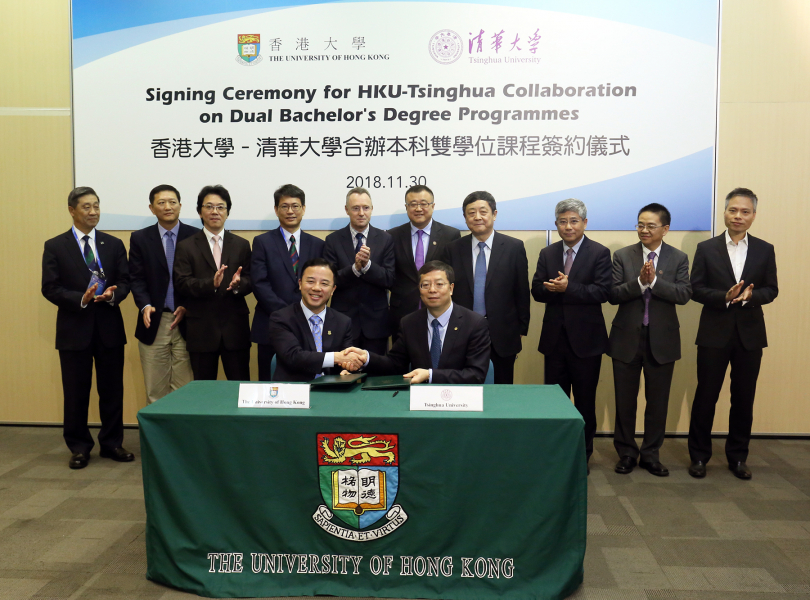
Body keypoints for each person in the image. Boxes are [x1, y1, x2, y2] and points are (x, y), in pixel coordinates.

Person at [687, 188, 778, 480]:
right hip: (714, 332)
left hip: (750, 335)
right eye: (733, 210)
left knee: (743, 397)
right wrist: (723, 297)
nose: (738, 216)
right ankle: (699, 456)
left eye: (745, 211)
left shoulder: (765, 249)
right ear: (725, 212)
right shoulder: (706, 248)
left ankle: (738, 457)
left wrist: (751, 297)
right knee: (706, 396)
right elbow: (695, 289)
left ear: (753, 215)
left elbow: (771, 289)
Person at [41, 186, 133, 469]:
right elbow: (50, 287)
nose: (93, 212)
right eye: (86, 207)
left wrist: (113, 295)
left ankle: (112, 443)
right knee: (75, 392)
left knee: (112, 391)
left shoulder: (113, 244)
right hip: (74, 330)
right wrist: (81, 299)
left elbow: (125, 281)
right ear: (72, 210)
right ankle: (79, 447)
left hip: (109, 328)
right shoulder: (55, 246)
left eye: (96, 206)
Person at [608, 203, 691, 477]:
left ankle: (651, 454)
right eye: (640, 225)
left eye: (650, 226)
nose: (644, 230)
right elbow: (613, 294)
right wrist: (640, 283)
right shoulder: (622, 256)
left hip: (662, 341)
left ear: (665, 229)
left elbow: (683, 294)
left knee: (657, 403)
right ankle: (627, 453)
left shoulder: (678, 258)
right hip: (626, 339)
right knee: (625, 402)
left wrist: (654, 282)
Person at [531, 198, 611, 467]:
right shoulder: (548, 253)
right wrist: (551, 288)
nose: (568, 226)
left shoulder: (599, 253)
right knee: (554, 401)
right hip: (554, 341)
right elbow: (536, 290)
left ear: (584, 223)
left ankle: (582, 455)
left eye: (574, 221)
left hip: (587, 342)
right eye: (563, 222)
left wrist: (569, 288)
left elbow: (603, 292)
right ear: (556, 224)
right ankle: (556, 453)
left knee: (585, 401)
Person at [345, 261, 490, 384]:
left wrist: (430, 375)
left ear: (451, 288)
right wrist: (366, 358)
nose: (432, 290)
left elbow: (476, 374)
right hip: (419, 398)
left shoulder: (474, 323)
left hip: (460, 399)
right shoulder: (409, 323)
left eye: (439, 284)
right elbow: (395, 364)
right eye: (425, 285)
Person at [442, 191, 530, 383]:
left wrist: (521, 329)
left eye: (483, 211)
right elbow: (447, 292)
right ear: (465, 217)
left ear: (494, 214)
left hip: (503, 334)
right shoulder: (453, 249)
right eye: (471, 212)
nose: (477, 217)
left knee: (501, 389)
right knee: (464, 388)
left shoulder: (514, 247)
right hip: (462, 332)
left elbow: (521, 291)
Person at [173, 185, 253, 381]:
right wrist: (211, 284)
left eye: (220, 207)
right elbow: (181, 282)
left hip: (235, 329)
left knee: (240, 388)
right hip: (202, 330)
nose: (215, 211)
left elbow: (251, 279)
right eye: (209, 206)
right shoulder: (186, 246)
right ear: (200, 211)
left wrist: (238, 285)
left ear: (227, 212)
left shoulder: (241, 244)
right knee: (203, 390)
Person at [129, 184, 198, 403]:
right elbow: (136, 278)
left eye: (172, 202)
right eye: (161, 203)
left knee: (185, 391)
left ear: (180, 205)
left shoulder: (195, 236)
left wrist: (188, 306)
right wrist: (144, 305)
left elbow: (199, 278)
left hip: (187, 321)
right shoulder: (140, 238)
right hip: (154, 321)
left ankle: (182, 427)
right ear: (152, 208)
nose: (167, 207)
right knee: (155, 390)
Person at [251, 184, 325, 381]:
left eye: (295, 206)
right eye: (284, 206)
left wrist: (304, 314)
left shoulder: (318, 244)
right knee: (269, 383)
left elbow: (321, 284)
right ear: (276, 210)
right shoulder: (262, 242)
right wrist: (288, 314)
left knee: (306, 382)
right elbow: (259, 284)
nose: (290, 211)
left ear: (303, 209)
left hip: (309, 326)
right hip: (271, 323)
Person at [323, 187, 395, 355]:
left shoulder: (385, 239)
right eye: (356, 208)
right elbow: (330, 280)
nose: (361, 213)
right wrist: (354, 269)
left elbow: (389, 279)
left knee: (376, 370)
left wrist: (368, 265)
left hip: (376, 324)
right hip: (344, 322)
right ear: (347, 210)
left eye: (366, 208)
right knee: (345, 369)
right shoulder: (333, 240)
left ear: (372, 209)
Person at [388, 185, 460, 341]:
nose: (418, 209)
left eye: (424, 204)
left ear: (433, 206)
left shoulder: (450, 235)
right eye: (413, 204)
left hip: (439, 308)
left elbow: (452, 274)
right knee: (402, 353)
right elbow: (390, 274)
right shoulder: (393, 235)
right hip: (402, 311)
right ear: (406, 207)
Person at [268, 258, 359, 382]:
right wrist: (335, 357)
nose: (316, 288)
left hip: (331, 389)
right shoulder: (281, 318)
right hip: (293, 389)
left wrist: (347, 369)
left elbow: (347, 359)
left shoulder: (343, 322)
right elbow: (293, 356)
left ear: (333, 290)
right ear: (300, 284)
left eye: (324, 284)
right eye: (310, 281)